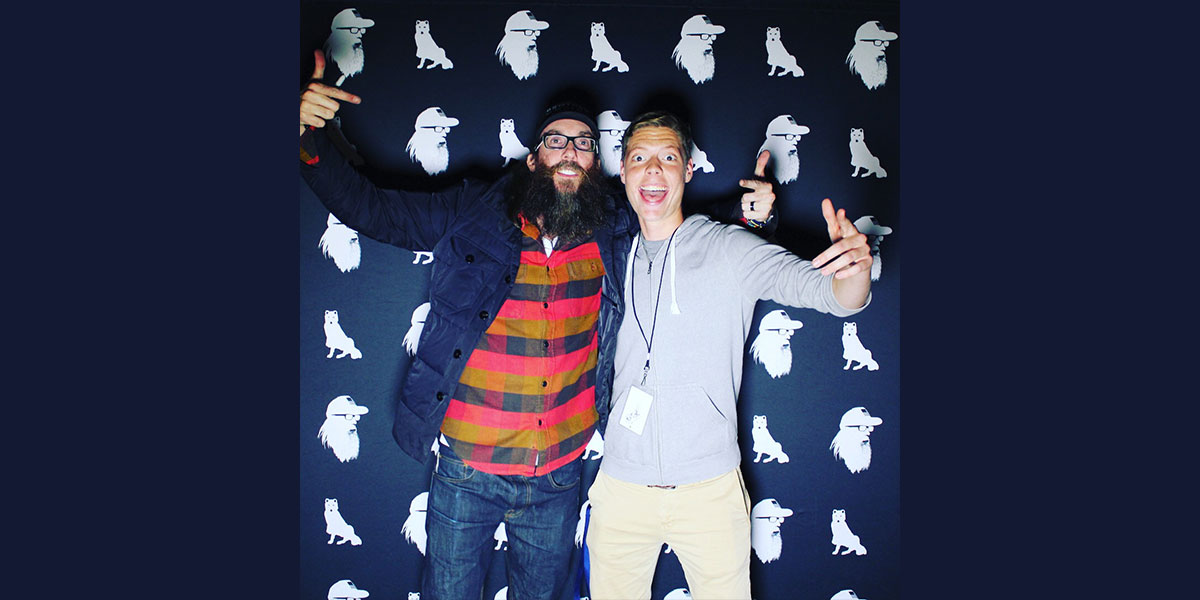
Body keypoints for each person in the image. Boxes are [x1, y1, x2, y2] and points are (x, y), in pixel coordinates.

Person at [298, 51, 777, 600]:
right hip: (469, 468)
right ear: (532, 159)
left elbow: (686, 228)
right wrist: (307, 137)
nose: (570, 151)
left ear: (596, 164)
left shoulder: (615, 228)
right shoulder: (472, 211)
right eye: (556, 140)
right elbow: (372, 210)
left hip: (558, 475)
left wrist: (754, 213)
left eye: (584, 143)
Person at [584, 111, 873, 600]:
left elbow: (831, 295)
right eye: (639, 158)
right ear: (624, 171)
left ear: (688, 169)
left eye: (667, 157)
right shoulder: (606, 252)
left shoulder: (729, 248)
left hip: (709, 493)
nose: (652, 170)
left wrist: (855, 271)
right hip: (621, 489)